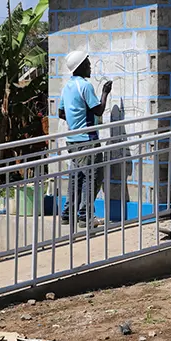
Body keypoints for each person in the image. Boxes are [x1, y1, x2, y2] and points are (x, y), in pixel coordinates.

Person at [57, 50, 112, 225]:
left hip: (72, 141)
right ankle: (85, 216)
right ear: (80, 66)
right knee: (92, 177)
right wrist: (105, 93)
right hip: (87, 141)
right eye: (87, 64)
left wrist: (75, 121)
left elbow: (61, 112)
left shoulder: (67, 87)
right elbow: (98, 110)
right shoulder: (85, 86)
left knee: (77, 177)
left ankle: (67, 214)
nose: (90, 67)